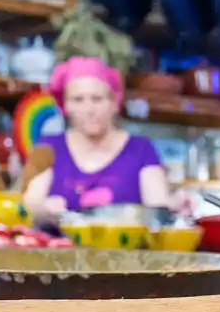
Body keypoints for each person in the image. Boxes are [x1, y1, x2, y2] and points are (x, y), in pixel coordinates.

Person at [22, 56, 169, 226]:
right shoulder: (48, 147)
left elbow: (158, 210)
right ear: (65, 106)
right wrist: (43, 209)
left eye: (97, 99)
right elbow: (27, 206)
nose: (89, 109)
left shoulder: (141, 150)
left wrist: (174, 205)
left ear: (114, 103)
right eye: (78, 100)